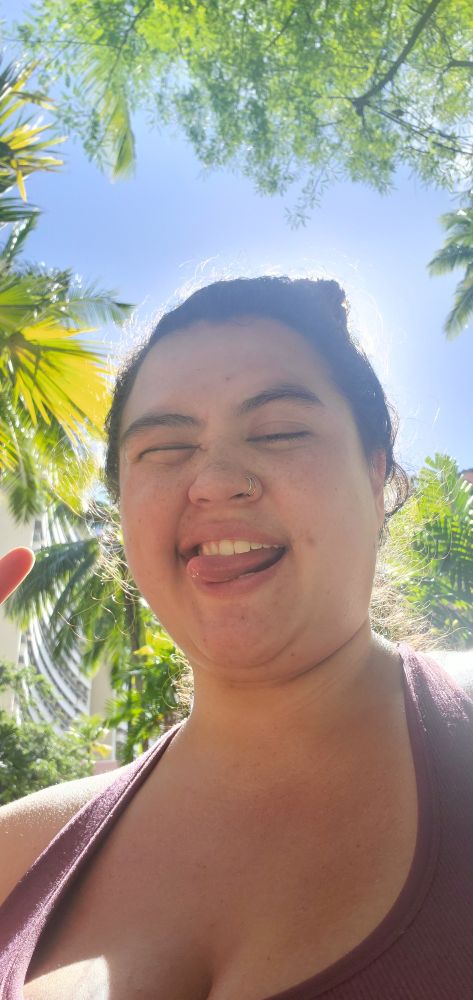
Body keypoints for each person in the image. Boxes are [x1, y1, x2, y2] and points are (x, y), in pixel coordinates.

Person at [0, 276, 472, 1000]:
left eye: (279, 431)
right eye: (164, 448)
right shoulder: (17, 853)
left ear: (377, 473)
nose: (216, 482)